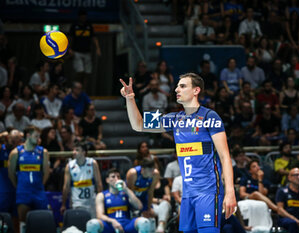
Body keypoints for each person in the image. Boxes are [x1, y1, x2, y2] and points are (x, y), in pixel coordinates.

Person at [120, 72, 237, 233]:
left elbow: (225, 157)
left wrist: (230, 192)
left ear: (196, 90)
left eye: (182, 86)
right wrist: (130, 99)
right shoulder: (174, 118)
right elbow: (138, 125)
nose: (176, 89)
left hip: (208, 191)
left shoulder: (210, 117)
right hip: (187, 193)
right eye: (176, 86)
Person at [8, 126, 50, 233]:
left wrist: (40, 186)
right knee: (23, 223)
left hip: (39, 192)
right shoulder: (16, 153)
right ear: (28, 136)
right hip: (23, 192)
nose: (38, 139)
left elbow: (46, 173)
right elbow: (11, 174)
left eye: (39, 136)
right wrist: (19, 187)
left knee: (42, 221)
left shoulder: (43, 152)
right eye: (36, 136)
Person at [85, 168, 151, 233]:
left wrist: (126, 189)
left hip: (126, 225)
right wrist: (113, 221)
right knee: (92, 224)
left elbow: (139, 206)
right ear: (107, 180)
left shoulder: (126, 193)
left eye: (118, 177)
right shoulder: (101, 195)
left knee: (144, 222)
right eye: (113, 177)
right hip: (110, 225)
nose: (116, 179)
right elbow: (99, 215)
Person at [60, 141, 103, 218]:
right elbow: (66, 187)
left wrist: (101, 202)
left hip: (91, 203)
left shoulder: (92, 163)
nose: (74, 152)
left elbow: (99, 183)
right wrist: (63, 204)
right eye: (73, 150)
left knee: (93, 227)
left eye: (77, 150)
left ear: (83, 152)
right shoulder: (69, 166)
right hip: (77, 203)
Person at [69, 9, 101, 89]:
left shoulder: (89, 25)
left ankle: (84, 91)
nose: (83, 18)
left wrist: (98, 48)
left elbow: (94, 37)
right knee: (80, 71)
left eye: (85, 17)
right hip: (77, 51)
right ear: (79, 17)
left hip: (87, 52)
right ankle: (76, 88)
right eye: (82, 17)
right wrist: (69, 49)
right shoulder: (74, 25)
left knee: (87, 72)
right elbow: (70, 38)